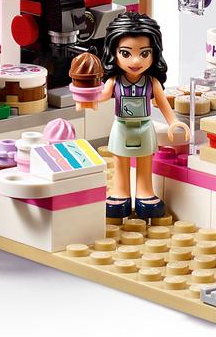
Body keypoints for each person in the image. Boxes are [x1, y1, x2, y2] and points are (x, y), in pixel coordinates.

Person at [74, 12, 188, 220]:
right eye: (126, 53)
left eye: (144, 54)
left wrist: (173, 122)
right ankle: (121, 192)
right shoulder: (114, 81)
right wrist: (85, 95)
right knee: (120, 161)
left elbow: (163, 103)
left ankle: (145, 192)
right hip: (122, 126)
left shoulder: (152, 82)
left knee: (145, 161)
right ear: (114, 53)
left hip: (144, 126)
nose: (136, 60)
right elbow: (102, 95)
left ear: (154, 53)